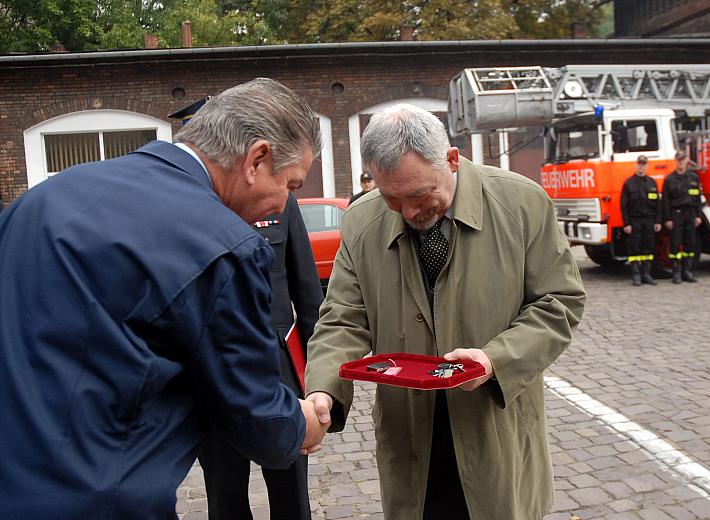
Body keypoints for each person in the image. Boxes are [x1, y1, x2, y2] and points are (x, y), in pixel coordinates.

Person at [0, 78, 330, 519]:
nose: (285, 202)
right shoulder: (223, 244)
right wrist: (302, 423)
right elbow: (253, 411)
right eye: (291, 185)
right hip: (102, 498)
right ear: (257, 159)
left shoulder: (40, 200)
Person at [304, 105, 586, 520]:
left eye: (418, 194)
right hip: (409, 436)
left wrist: (494, 359)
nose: (408, 212)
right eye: (391, 198)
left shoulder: (522, 203)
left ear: (452, 160)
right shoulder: (362, 221)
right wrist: (323, 390)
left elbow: (558, 301)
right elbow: (342, 317)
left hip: (494, 423)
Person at [199, 192, 323, 520]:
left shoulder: (282, 198)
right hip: (214, 375)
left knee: (291, 495)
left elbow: (308, 293)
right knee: (224, 497)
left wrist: (318, 380)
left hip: (279, 376)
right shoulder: (194, 198)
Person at [620, 155, 662, 286]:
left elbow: (658, 204)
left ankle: (646, 274)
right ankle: (636, 275)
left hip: (649, 220)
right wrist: (626, 223)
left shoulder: (652, 182)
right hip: (635, 221)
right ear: (635, 165)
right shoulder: (629, 183)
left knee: (648, 247)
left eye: (643, 164)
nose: (641, 166)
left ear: (647, 166)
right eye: (639, 164)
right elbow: (624, 205)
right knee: (635, 248)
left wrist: (658, 221)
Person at [663, 150, 703, 284]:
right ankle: (676, 272)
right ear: (676, 161)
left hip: (690, 213)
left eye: (683, 159)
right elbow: (666, 201)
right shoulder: (669, 179)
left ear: (686, 160)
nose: (681, 162)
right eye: (679, 159)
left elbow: (698, 198)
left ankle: (687, 271)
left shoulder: (694, 177)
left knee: (690, 242)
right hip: (676, 214)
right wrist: (667, 219)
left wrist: (698, 215)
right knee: (675, 243)